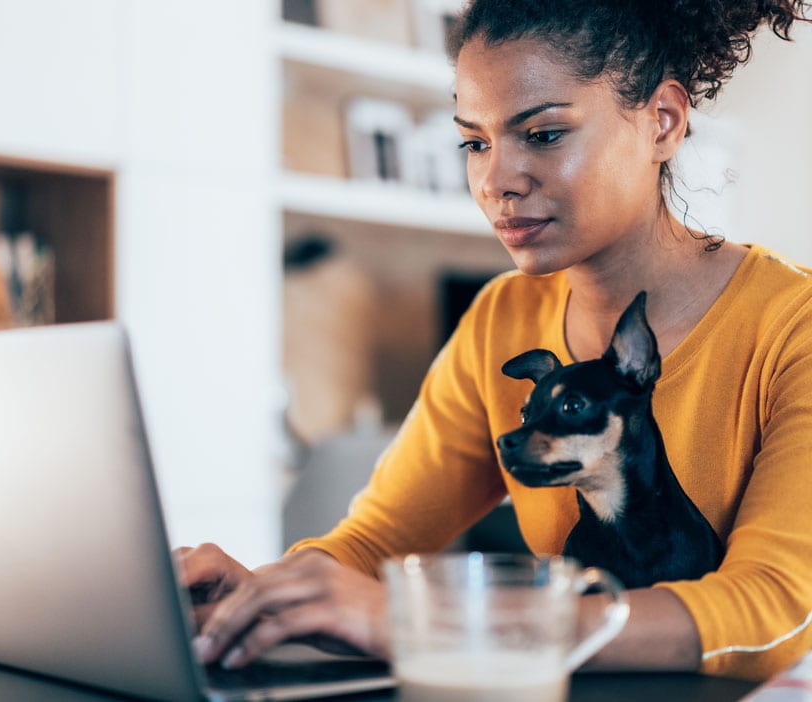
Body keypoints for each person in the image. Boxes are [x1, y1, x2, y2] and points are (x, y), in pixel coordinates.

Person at [178, 0, 812, 682]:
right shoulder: (500, 319)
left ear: (663, 121)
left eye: (541, 135)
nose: (495, 182)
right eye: (475, 143)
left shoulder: (792, 327)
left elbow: (776, 613)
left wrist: (430, 621)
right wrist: (265, 598)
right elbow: (374, 541)